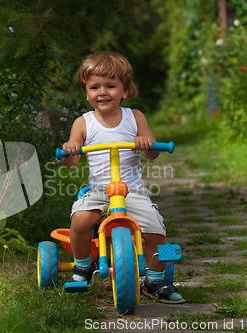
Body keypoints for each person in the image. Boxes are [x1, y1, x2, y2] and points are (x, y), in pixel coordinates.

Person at [61, 52, 184, 304]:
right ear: (86, 93)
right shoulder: (83, 123)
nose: (102, 92)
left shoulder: (135, 117)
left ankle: (156, 279)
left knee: (154, 231)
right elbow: (71, 161)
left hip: (132, 191)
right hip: (98, 190)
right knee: (80, 220)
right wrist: (70, 148)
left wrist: (145, 142)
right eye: (95, 87)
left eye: (110, 86)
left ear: (125, 90)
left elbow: (151, 155)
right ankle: (82, 266)